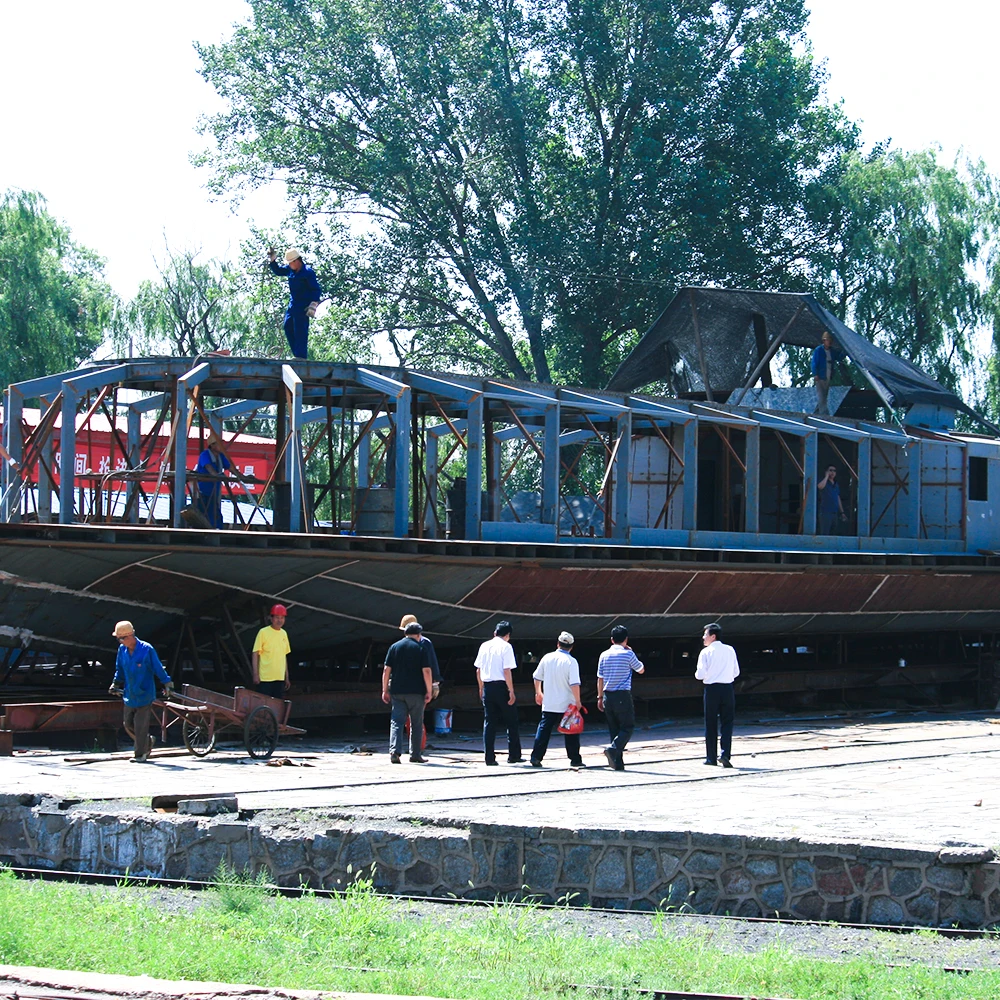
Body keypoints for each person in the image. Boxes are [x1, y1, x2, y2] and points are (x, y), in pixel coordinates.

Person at [108, 620, 172, 764]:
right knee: (128, 724)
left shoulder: (146, 649)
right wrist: (115, 683)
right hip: (130, 694)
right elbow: (120, 669)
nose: (120, 641)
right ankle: (148, 741)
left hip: (144, 694)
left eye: (121, 638)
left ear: (129, 636)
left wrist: (167, 682)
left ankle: (140, 754)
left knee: (140, 726)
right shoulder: (122, 650)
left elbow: (158, 668)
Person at [529, 631, 584, 768]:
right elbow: (574, 683)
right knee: (571, 732)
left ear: (558, 644)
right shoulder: (571, 661)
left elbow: (537, 677)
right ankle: (575, 759)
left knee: (544, 730)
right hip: (567, 704)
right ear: (571, 646)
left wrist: (538, 693)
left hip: (550, 702)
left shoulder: (547, 658)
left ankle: (536, 757)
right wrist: (578, 701)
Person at [382, 621, 433, 763]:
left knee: (396, 722)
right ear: (418, 635)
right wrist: (429, 690)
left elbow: (386, 670)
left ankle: (395, 751)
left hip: (397, 691)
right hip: (416, 692)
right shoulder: (421, 648)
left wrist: (384, 689)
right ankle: (415, 754)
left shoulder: (394, 647)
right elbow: (427, 671)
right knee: (416, 723)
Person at [597, 624, 645, 770]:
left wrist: (599, 697)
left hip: (607, 695)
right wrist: (632, 652)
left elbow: (600, 678)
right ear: (626, 639)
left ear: (612, 640)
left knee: (614, 729)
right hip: (622, 695)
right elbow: (641, 669)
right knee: (627, 727)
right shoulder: (628, 654)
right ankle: (613, 750)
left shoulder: (604, 655)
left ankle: (617, 762)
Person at [474, 620, 522, 766]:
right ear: (508, 635)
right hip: (502, 687)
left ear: (495, 633)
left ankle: (489, 758)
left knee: (489, 723)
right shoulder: (506, 647)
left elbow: (478, 670)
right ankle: (513, 755)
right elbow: (507, 670)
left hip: (487, 686)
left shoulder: (484, 646)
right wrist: (511, 691)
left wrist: (481, 687)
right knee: (511, 721)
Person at [695, 622, 740, 767]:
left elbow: (700, 674)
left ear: (712, 636)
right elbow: (736, 672)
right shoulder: (730, 650)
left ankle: (711, 758)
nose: (703, 637)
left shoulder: (706, 652)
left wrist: (703, 675)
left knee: (711, 723)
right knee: (727, 722)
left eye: (705, 634)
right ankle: (725, 754)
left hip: (712, 689)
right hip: (727, 688)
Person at [267, 247, 322, 360]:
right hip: (293, 305)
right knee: (288, 327)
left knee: (300, 330)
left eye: (290, 263)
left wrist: (314, 304)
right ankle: (297, 354)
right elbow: (278, 271)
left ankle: (301, 356)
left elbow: (316, 289)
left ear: (296, 261)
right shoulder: (290, 270)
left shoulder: (307, 272)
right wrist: (272, 260)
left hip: (303, 306)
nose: (289, 265)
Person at [398, 613, 442, 700]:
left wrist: (435, 682)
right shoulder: (402, 644)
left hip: (421, 682)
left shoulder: (425, 643)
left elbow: (432, 662)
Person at [252, 604, 292, 698]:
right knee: (263, 705)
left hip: (279, 678)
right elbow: (255, 654)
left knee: (277, 705)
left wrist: (287, 677)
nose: (279, 620)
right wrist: (255, 674)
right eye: (277, 617)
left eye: (282, 618)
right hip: (265, 678)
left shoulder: (284, 634)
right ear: (271, 618)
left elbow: (284, 656)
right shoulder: (263, 632)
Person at [193, 434, 232, 529]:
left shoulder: (220, 457)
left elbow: (231, 468)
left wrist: (241, 476)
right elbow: (209, 467)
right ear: (212, 445)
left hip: (213, 492)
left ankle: (216, 531)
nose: (221, 446)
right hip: (201, 492)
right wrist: (218, 475)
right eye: (219, 444)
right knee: (201, 514)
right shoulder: (205, 455)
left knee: (214, 515)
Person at [811, 331, 845, 416]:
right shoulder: (819, 350)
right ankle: (824, 414)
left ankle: (816, 413)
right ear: (824, 341)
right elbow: (814, 363)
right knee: (821, 396)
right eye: (827, 340)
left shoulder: (832, 351)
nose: (829, 342)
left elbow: (839, 357)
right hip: (820, 376)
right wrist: (815, 374)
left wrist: (846, 350)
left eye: (830, 340)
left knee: (824, 395)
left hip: (828, 376)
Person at [817, 465, 847, 535]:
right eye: (830, 470)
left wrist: (842, 512)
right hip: (825, 512)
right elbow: (820, 487)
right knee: (825, 533)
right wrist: (826, 476)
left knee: (833, 533)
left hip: (834, 513)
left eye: (834, 471)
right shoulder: (824, 482)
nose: (832, 472)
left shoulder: (836, 484)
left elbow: (837, 498)